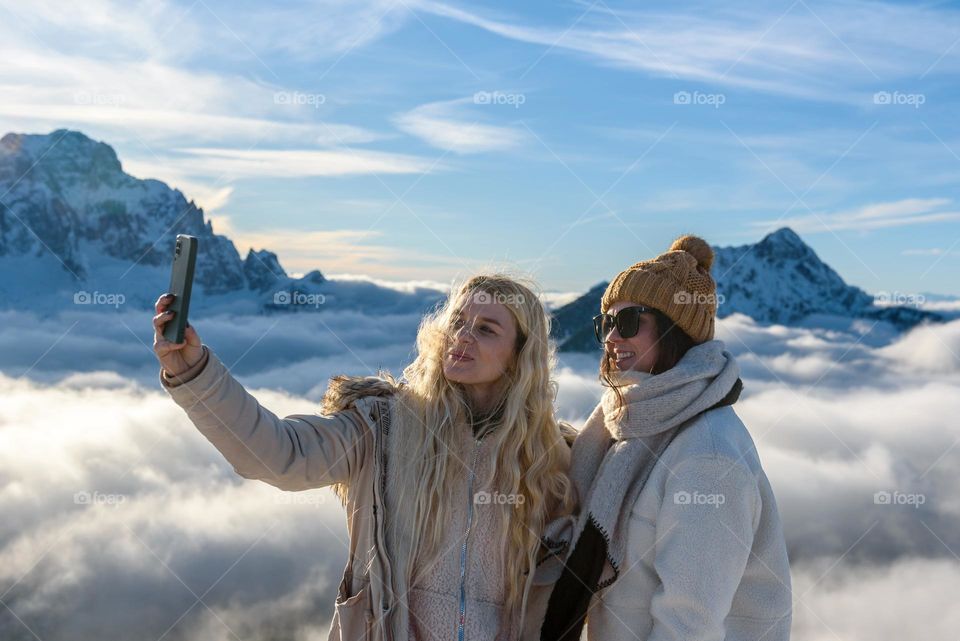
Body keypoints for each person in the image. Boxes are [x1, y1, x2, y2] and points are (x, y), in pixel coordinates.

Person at [152, 274, 576, 641]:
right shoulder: (384, 427)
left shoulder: (545, 461)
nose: (463, 336)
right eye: (458, 322)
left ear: (521, 354)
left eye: (485, 329)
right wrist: (195, 373)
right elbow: (277, 454)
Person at [537, 235, 792, 641]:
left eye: (628, 322)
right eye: (607, 323)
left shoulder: (706, 458)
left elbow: (689, 626)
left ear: (675, 331)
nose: (610, 339)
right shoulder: (625, 428)